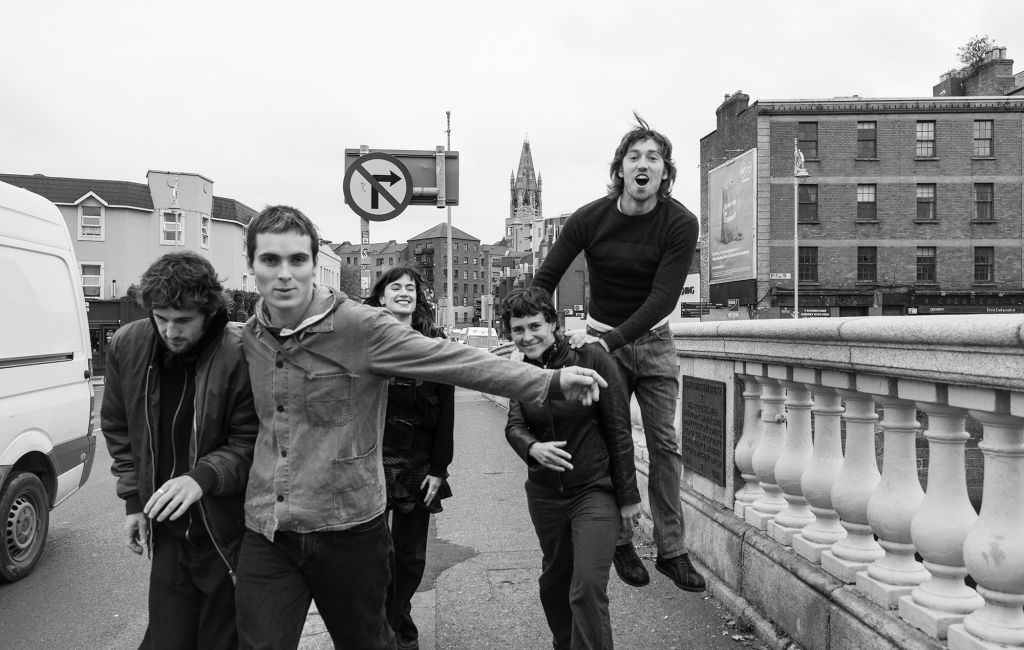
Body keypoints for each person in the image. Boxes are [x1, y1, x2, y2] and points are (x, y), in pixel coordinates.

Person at [234, 205, 609, 650]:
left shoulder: (361, 326)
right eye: (270, 260)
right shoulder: (245, 338)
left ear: (315, 265)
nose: (284, 275)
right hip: (269, 529)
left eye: (297, 260)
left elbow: (454, 362)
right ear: (251, 265)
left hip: (347, 529)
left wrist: (548, 379)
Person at [531, 114, 705, 593]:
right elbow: (545, 279)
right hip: (599, 339)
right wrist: (533, 331)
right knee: (611, 440)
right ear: (621, 170)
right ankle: (622, 540)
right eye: (634, 157)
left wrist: (609, 343)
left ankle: (672, 550)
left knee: (665, 445)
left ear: (664, 174)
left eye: (653, 158)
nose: (643, 165)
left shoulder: (680, 223)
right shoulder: (590, 218)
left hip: (650, 341)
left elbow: (662, 300)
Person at [101, 251, 258, 649]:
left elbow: (250, 441)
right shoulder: (127, 345)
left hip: (225, 532)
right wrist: (134, 502)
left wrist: (201, 477)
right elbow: (120, 430)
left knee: (221, 640)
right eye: (160, 318)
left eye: (183, 320)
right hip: (168, 533)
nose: (170, 331)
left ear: (209, 313)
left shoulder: (238, 352)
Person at [503, 288, 641, 650]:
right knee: (554, 584)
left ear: (553, 324)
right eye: (518, 330)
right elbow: (514, 425)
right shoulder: (520, 371)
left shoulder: (591, 356)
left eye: (535, 325)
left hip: (594, 489)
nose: (528, 336)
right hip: (545, 496)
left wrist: (628, 498)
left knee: (587, 588)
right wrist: (533, 448)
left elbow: (618, 429)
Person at [366, 266, 455, 650]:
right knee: (371, 554)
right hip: (368, 460)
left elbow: (447, 410)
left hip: (417, 462)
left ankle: (395, 617)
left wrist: (439, 467)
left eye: (410, 288)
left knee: (410, 556)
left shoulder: (436, 343)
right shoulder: (364, 339)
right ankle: (395, 630)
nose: (404, 292)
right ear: (381, 297)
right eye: (395, 287)